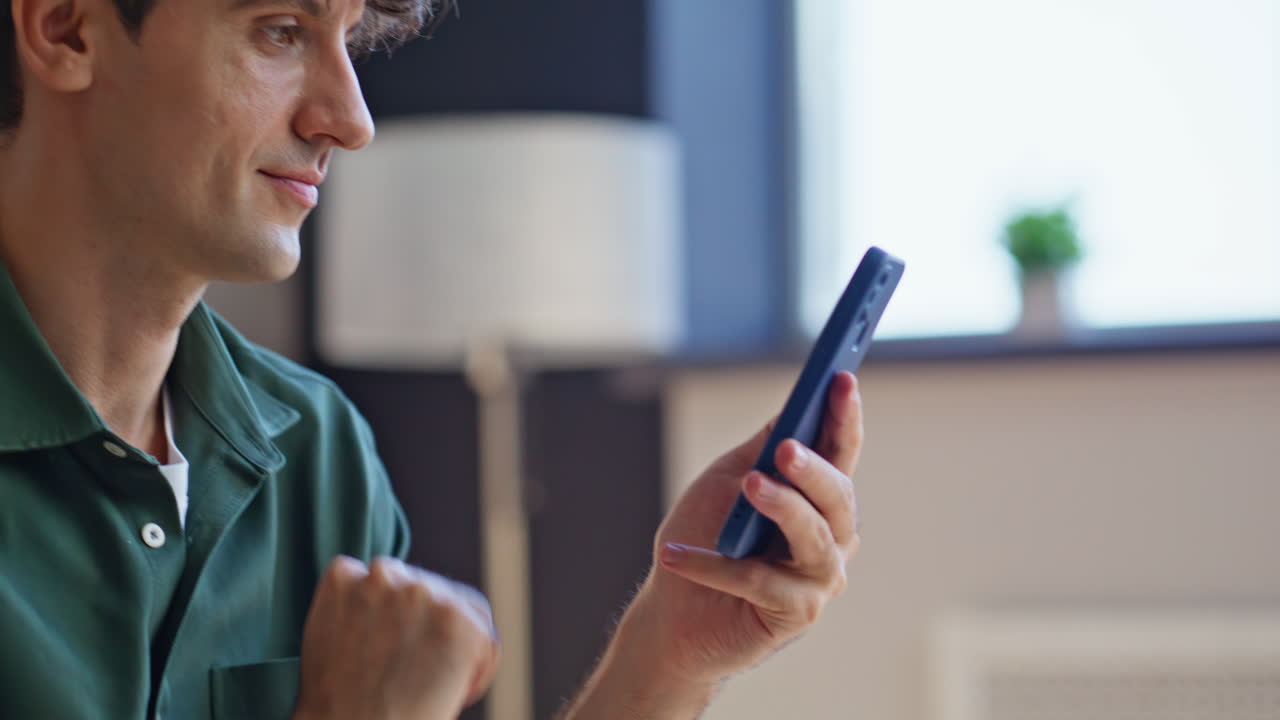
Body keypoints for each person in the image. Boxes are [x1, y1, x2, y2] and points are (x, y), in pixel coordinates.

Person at [0, 0, 864, 716]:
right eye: (280, 31)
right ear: (66, 27)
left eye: (348, 40)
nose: (350, 120)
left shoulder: (317, 451)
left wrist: (669, 651)